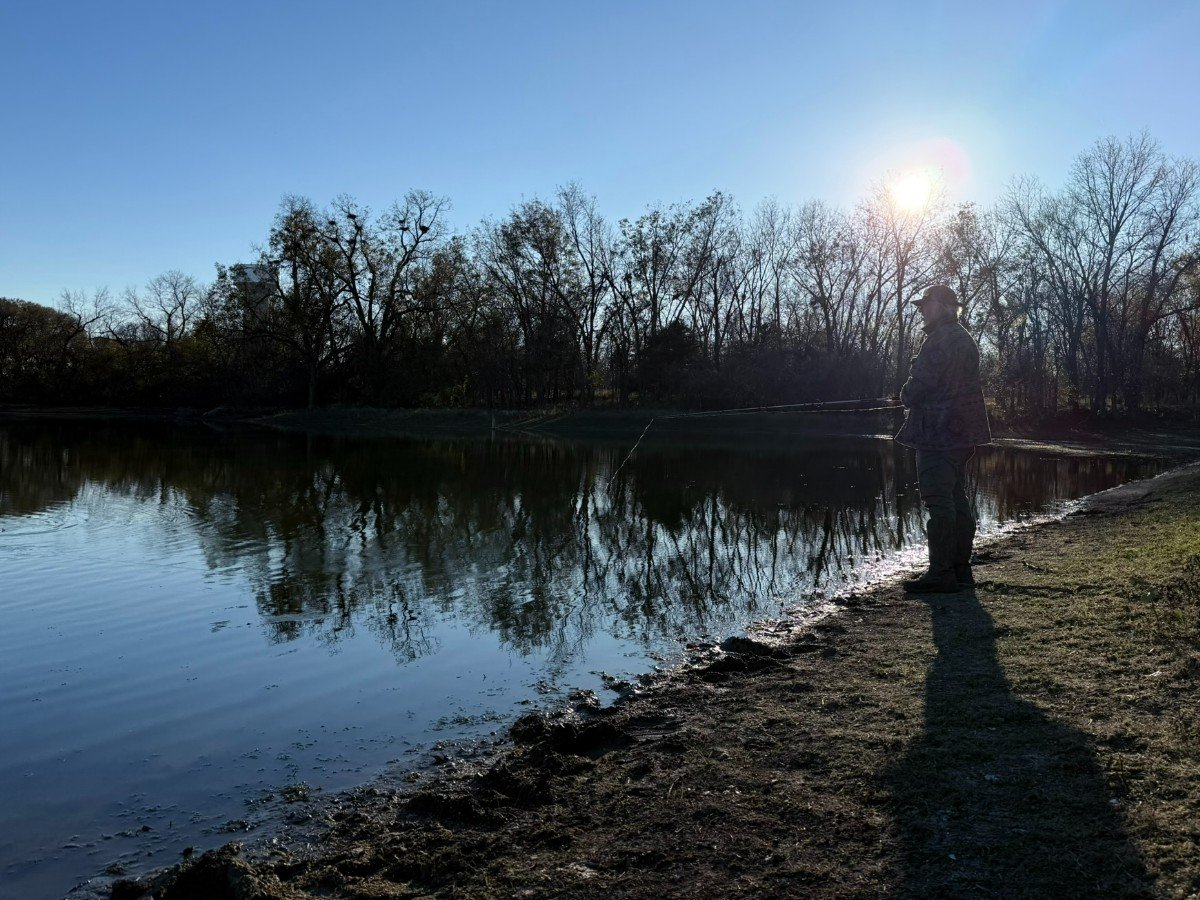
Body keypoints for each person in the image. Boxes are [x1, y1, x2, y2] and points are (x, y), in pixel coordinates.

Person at [895, 284, 991, 593]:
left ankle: (940, 572)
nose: (921, 308)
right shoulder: (963, 338)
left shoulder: (941, 340)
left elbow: (919, 386)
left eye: (926, 303)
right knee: (956, 499)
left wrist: (905, 394)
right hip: (960, 435)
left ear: (945, 307)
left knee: (939, 502)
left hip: (938, 433)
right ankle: (960, 569)